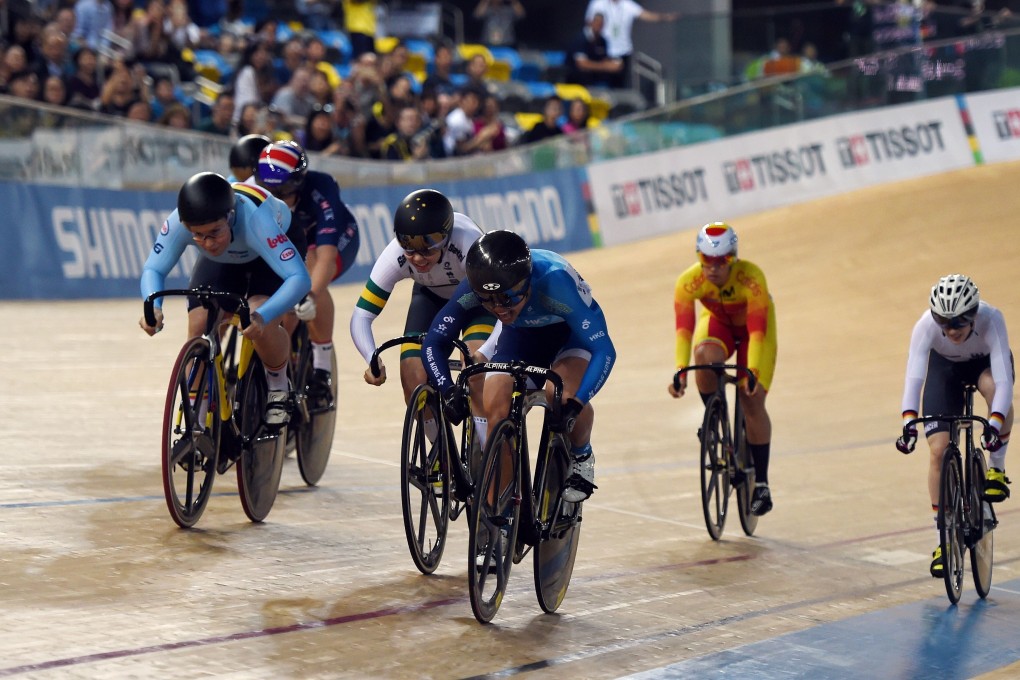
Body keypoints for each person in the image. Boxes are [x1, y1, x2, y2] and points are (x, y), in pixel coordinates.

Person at [422, 230, 616, 504]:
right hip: (522, 336)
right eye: (488, 301)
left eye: (507, 299)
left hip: (568, 335)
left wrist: (578, 404)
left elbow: (604, 350)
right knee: (495, 406)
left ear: (526, 284)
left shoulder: (554, 282)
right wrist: (448, 390)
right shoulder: (477, 289)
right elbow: (433, 342)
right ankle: (502, 511)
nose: (498, 309)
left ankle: (582, 454)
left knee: (560, 396)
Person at [138, 172, 311, 426]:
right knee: (199, 324)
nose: (206, 243)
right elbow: (154, 269)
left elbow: (299, 279)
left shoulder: (256, 221)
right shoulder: (182, 221)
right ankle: (196, 416)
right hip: (227, 256)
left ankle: (278, 387)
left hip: (269, 251)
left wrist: (262, 316)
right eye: (197, 235)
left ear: (229, 217)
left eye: (213, 232)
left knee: (257, 315)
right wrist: (153, 307)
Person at [350, 189, 495, 448]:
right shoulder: (394, 254)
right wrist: (372, 358)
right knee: (412, 376)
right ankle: (440, 452)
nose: (417, 258)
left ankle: (485, 453)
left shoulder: (468, 242)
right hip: (430, 299)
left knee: (474, 367)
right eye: (409, 250)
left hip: (477, 301)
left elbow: (495, 299)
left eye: (427, 250)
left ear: (446, 239)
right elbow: (361, 315)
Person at [896, 274, 1013, 577]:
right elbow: (914, 378)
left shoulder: (992, 319)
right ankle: (944, 541)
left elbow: (1003, 383)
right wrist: (908, 422)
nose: (950, 330)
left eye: (958, 323)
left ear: (973, 316)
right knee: (937, 451)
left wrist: (994, 422)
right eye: (943, 323)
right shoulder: (925, 326)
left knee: (991, 387)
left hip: (984, 366)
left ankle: (996, 469)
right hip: (944, 370)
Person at [668, 222, 778, 516]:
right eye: (707, 261)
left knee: (750, 399)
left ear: (734, 257)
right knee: (703, 356)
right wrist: (681, 370)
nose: (714, 269)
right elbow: (684, 331)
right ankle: (713, 416)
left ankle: (762, 484)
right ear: (698, 257)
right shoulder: (688, 282)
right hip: (720, 323)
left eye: (722, 261)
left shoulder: (752, 278)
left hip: (755, 333)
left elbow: (756, 333)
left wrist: (751, 371)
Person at [255, 140, 360, 399]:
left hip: (332, 241)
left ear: (299, 183)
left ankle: (322, 369)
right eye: (268, 189)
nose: (274, 196)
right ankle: (277, 355)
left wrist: (311, 295)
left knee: (309, 271)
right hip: (284, 240)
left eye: (282, 191)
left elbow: (326, 257)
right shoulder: (251, 186)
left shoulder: (321, 189)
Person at [584, 0, 680, 88]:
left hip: (623, 51)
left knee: (621, 85)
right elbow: (589, 23)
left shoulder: (627, 4)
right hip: (604, 50)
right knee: (602, 83)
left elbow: (645, 15)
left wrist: (665, 17)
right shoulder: (598, 3)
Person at [565, 11, 623, 87]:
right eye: (596, 22)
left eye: (601, 24)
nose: (598, 26)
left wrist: (614, 64)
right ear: (590, 22)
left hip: (595, 78)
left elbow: (603, 58)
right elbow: (582, 64)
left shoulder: (602, 41)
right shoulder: (580, 39)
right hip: (577, 79)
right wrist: (605, 66)